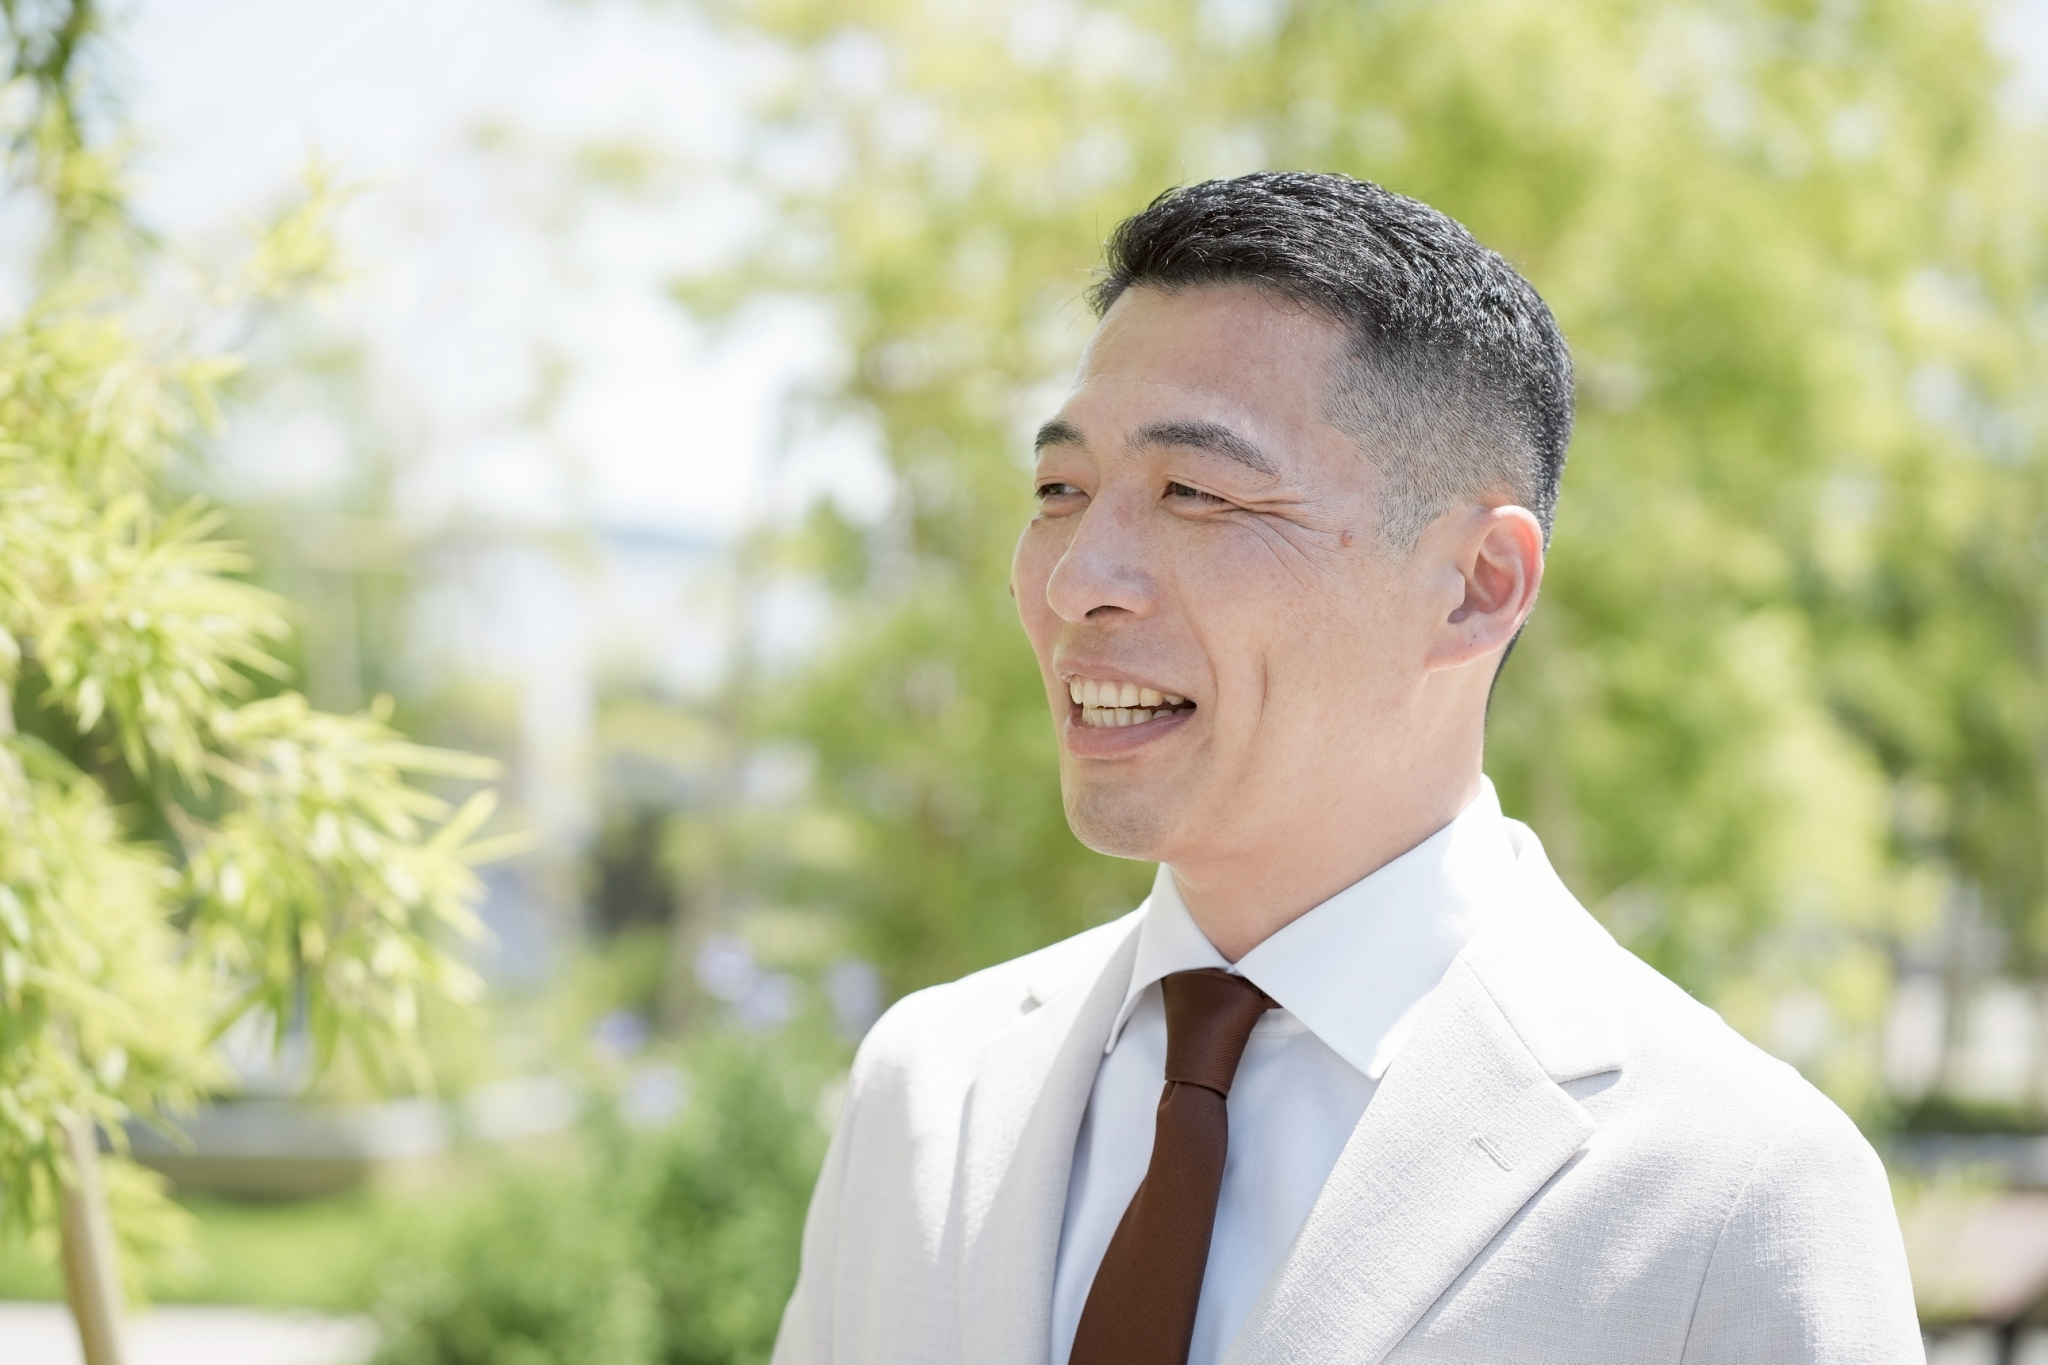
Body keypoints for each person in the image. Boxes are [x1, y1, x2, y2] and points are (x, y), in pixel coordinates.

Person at [771, 172, 1922, 1365]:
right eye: (1060, 491)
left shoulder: (1732, 1195)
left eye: (1194, 493)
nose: (1075, 582)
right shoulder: (926, 1089)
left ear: (1474, 585)